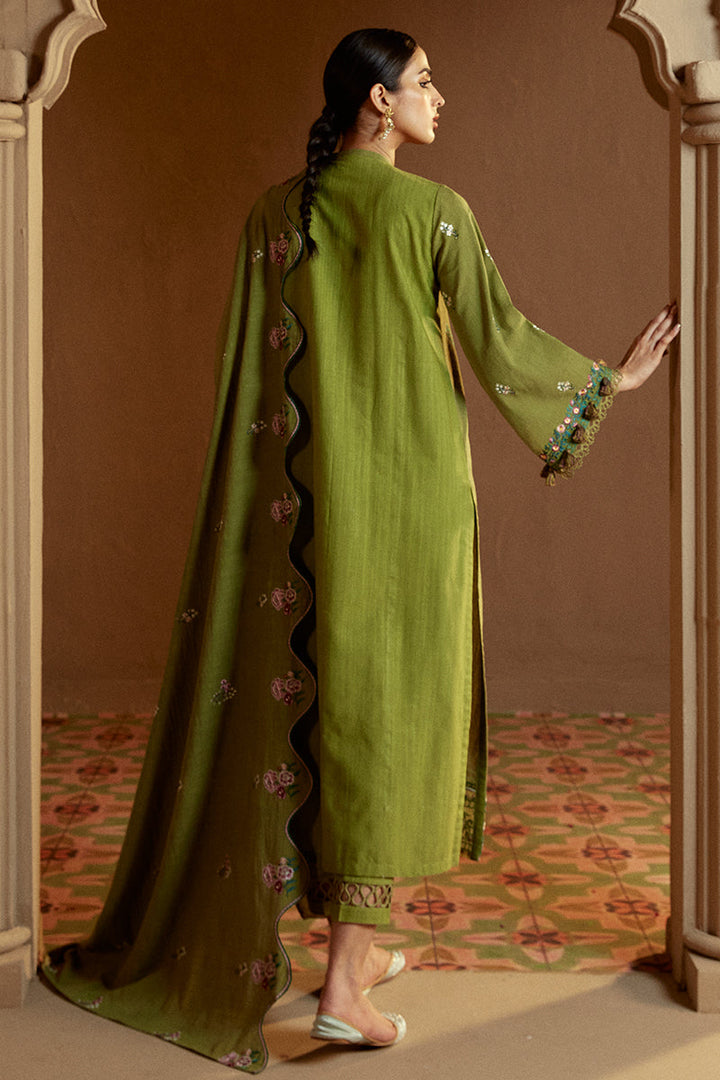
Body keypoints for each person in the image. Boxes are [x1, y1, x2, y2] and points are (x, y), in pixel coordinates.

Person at [43, 27, 679, 1072]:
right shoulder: (434, 211)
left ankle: (355, 954)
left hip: (296, 518)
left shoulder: (271, 216)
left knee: (325, 710)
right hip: (412, 510)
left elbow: (248, 381)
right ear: (378, 101)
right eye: (424, 81)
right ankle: (343, 990)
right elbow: (502, 341)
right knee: (389, 723)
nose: (440, 96)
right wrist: (613, 382)